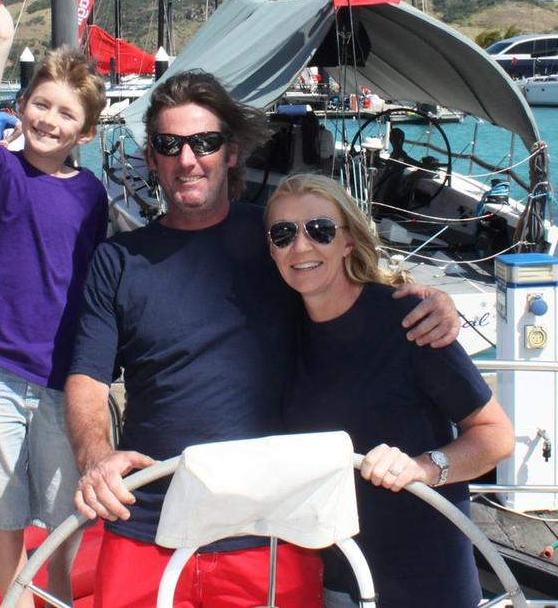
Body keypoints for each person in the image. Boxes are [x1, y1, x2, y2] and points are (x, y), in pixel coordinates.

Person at [66, 69, 460, 608]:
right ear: (152, 158)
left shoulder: (278, 238)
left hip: (274, 527)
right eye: (169, 144)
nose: (188, 159)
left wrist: (424, 295)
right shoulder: (117, 261)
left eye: (204, 142)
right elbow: (88, 379)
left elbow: (349, 278)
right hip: (149, 521)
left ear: (230, 153)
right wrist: (95, 458)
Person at [266, 174, 514, 608]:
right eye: (283, 234)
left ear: (347, 241)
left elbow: (496, 435)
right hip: (338, 580)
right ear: (271, 250)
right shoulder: (281, 330)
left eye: (320, 230)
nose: (301, 246)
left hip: (429, 583)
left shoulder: (409, 321)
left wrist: (423, 467)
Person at [0, 0, 109, 608]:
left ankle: (62, 592)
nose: (48, 118)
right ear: (20, 109)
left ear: (86, 132)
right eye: (40, 104)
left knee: (65, 506)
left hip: (61, 380)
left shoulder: (91, 195)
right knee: (5, 509)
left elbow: (98, 283)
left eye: (65, 112)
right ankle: (15, 600)